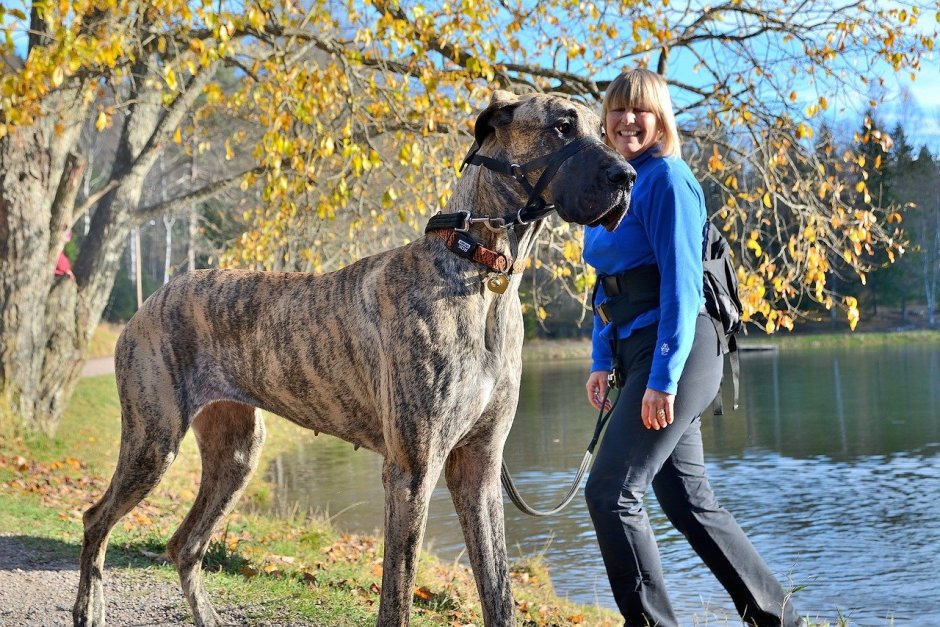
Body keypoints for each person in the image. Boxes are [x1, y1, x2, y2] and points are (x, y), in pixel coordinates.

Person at [582, 68, 802, 627]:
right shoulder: (610, 186)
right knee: (686, 501)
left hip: (678, 349)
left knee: (612, 492)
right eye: (618, 109)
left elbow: (681, 287)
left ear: (660, 119)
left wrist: (662, 377)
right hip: (634, 351)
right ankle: (780, 617)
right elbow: (609, 285)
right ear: (603, 120)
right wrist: (602, 360)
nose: (628, 119)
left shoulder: (668, 180)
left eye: (642, 110)